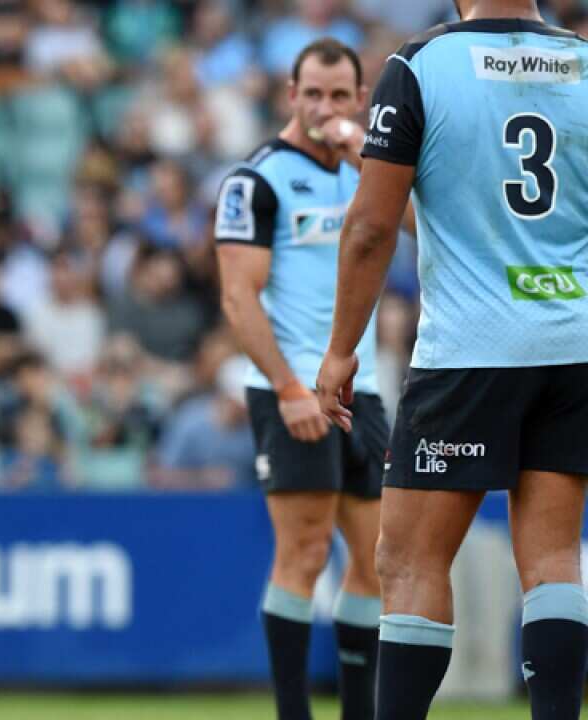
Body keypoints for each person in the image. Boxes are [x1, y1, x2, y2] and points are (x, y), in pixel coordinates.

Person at [316, 2, 588, 719]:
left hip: (471, 350)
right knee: (555, 560)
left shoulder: (420, 65)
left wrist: (342, 348)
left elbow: (372, 227)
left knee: (407, 562)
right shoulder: (583, 64)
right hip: (571, 343)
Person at [215, 38, 385, 720]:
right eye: (312, 93)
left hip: (362, 387)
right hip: (290, 390)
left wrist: (366, 160)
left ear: (360, 100)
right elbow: (237, 297)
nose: (324, 107)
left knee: (379, 561)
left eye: (339, 95)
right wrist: (286, 386)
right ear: (290, 95)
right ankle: (292, 713)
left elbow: (417, 228)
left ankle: (359, 712)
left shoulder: (369, 170)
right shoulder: (257, 180)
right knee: (306, 550)